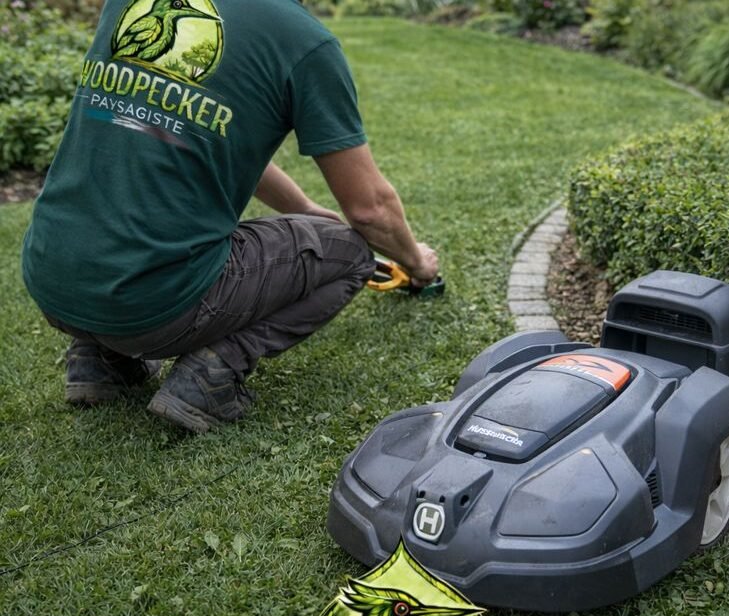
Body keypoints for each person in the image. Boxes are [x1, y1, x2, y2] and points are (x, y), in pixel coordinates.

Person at [21, 0, 438, 433]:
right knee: (352, 253)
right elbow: (370, 211)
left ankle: (100, 358)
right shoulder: (303, 41)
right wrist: (416, 261)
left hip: (50, 279)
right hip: (156, 308)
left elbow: (194, 133)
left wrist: (308, 212)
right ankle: (213, 370)